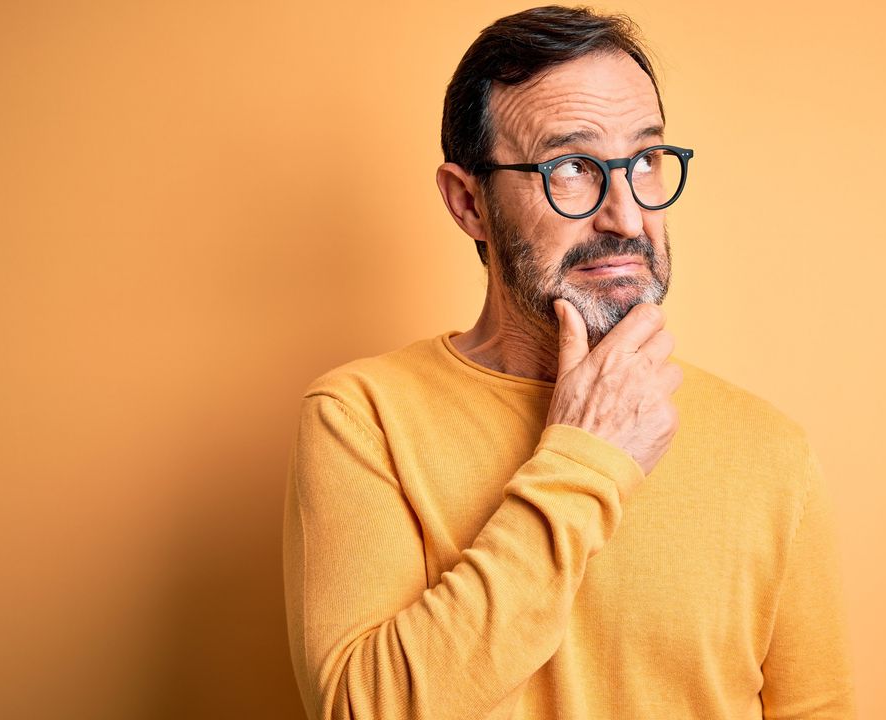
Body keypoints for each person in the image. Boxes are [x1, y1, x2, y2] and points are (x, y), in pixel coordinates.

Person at [282, 6, 856, 719]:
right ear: (468, 203)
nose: (626, 214)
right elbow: (362, 711)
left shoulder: (770, 449)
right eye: (572, 168)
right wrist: (585, 459)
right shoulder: (362, 418)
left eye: (645, 159)